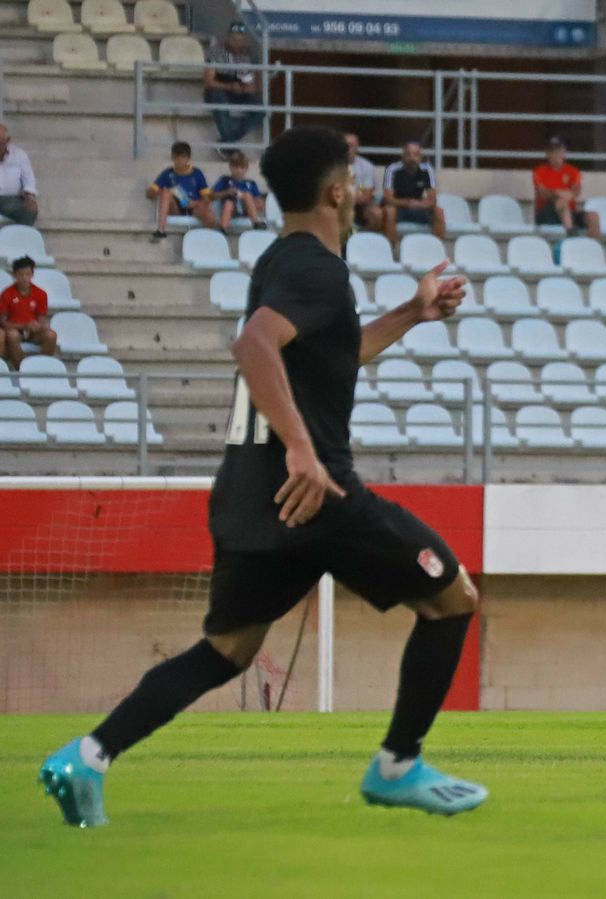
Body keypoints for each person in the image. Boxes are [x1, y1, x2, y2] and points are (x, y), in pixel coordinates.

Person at [38, 125, 486, 829]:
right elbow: (252, 345)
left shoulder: (280, 262)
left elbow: (328, 353)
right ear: (337, 191)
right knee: (453, 596)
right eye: (354, 178)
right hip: (320, 496)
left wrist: (412, 311)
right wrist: (304, 449)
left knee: (227, 650)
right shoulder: (315, 269)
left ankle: (88, 756)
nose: (361, 188)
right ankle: (397, 765)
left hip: (250, 500)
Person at [202, 22, 263, 153]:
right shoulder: (215, 51)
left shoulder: (251, 55)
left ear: (246, 40)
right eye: (234, 39)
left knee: (261, 108)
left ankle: (227, 142)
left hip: (241, 91)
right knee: (218, 98)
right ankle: (230, 145)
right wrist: (230, 86)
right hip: (219, 89)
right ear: (227, 38)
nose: (237, 43)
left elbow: (257, 85)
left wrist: (248, 88)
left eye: (241, 40)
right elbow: (208, 82)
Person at [382, 140, 447, 252]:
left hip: (419, 208)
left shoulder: (427, 169)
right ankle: (389, 253)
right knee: (390, 211)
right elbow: (388, 198)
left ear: (420, 156)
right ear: (403, 155)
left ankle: (436, 252)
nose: (412, 158)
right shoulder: (392, 169)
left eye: (415, 154)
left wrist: (419, 204)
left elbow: (432, 198)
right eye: (408, 154)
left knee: (439, 212)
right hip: (399, 208)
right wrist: (408, 203)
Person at [147, 141, 217, 240]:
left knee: (209, 215)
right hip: (176, 208)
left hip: (193, 207)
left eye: (182, 157)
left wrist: (195, 203)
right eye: (176, 157)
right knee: (166, 193)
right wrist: (160, 191)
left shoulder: (197, 173)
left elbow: (207, 197)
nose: (179, 160)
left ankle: (209, 237)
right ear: (172, 157)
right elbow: (150, 193)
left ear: (188, 158)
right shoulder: (167, 173)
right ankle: (160, 231)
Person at [531, 137, 600, 239]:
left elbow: (576, 191)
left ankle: (592, 248)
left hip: (570, 211)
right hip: (546, 213)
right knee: (561, 201)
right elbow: (543, 193)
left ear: (564, 153)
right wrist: (559, 193)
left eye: (559, 151)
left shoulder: (573, 171)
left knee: (593, 216)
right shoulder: (539, 171)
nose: (556, 154)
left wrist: (566, 194)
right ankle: (571, 236)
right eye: (552, 151)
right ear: (547, 154)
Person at [1, 255, 56, 369]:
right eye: (21, 274)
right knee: (12, 335)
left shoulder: (41, 294)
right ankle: (23, 369)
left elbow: (41, 319)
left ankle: (39, 367)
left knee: (51, 335)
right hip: (15, 330)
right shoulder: (7, 294)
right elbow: (3, 322)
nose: (25, 278)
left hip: (33, 332)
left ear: (32, 274)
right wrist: (25, 325)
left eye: (28, 274)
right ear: (14, 275)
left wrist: (39, 326)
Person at [211, 152, 266, 231]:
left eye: (242, 168)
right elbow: (213, 195)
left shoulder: (251, 183)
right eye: (236, 167)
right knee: (229, 202)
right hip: (231, 210)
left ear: (246, 168)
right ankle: (222, 228)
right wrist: (227, 192)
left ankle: (256, 222)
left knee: (247, 195)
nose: (239, 170)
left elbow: (259, 202)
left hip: (247, 210)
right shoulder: (225, 180)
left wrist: (254, 201)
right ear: (230, 167)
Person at [0, 123, 40, 226]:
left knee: (30, 210)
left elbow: (29, 180)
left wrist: (30, 198)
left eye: (0, 143)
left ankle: (18, 238)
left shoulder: (19, 155)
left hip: (12, 200)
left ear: (7, 141)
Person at [345, 133, 382, 231]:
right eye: (344, 145)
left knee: (376, 213)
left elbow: (366, 196)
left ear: (357, 147)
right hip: (337, 205)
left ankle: (369, 242)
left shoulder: (367, 166)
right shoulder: (331, 166)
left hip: (360, 206)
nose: (347, 148)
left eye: (351, 145)